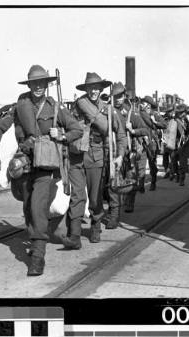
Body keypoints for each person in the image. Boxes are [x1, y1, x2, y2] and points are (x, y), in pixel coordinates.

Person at [14, 64, 83, 276]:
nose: (38, 87)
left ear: (47, 85)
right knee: (27, 206)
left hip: (45, 164)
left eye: (42, 83)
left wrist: (61, 135)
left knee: (38, 206)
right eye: (34, 83)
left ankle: (38, 255)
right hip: (25, 162)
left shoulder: (55, 107)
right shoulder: (21, 104)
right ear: (29, 84)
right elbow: (5, 127)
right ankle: (35, 242)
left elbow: (77, 129)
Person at [63, 72, 126, 249]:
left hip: (96, 156)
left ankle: (96, 227)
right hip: (76, 156)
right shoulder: (76, 107)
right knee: (77, 196)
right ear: (86, 89)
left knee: (95, 195)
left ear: (101, 89)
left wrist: (120, 155)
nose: (93, 91)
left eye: (96, 88)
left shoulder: (108, 109)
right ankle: (74, 236)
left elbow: (120, 134)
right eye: (90, 88)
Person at [112, 84, 150, 213]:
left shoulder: (130, 113)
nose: (117, 99)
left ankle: (129, 203)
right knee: (115, 179)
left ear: (124, 97)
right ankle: (115, 208)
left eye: (120, 96)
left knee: (130, 178)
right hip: (114, 152)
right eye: (115, 97)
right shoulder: (109, 110)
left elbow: (145, 130)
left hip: (129, 152)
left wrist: (132, 130)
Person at [138, 95, 167, 190]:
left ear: (148, 105)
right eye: (141, 102)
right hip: (141, 142)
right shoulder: (138, 114)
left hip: (152, 143)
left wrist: (155, 122)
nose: (141, 104)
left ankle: (153, 182)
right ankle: (141, 185)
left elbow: (164, 125)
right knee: (141, 165)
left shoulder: (154, 115)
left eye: (143, 103)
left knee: (152, 164)